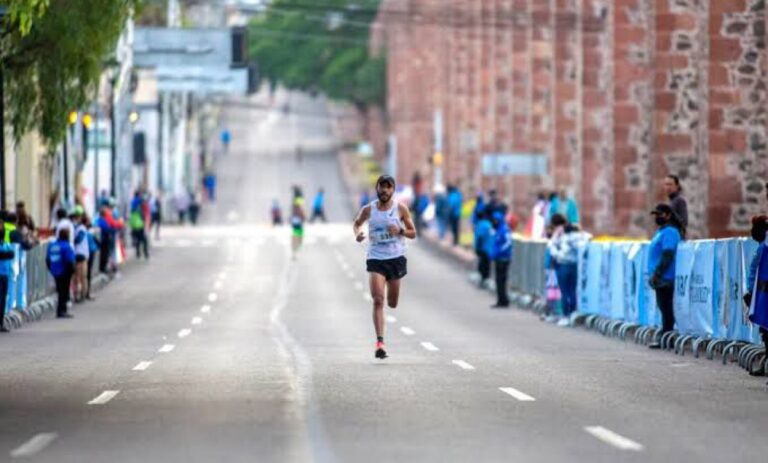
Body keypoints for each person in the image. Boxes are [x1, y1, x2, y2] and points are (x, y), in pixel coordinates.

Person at [353, 175, 417, 359]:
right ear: (377, 188)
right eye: (382, 187)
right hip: (376, 258)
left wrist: (401, 231)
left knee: (392, 303)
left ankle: (390, 296)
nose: (385, 190)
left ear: (393, 190)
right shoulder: (369, 209)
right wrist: (358, 234)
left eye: (389, 187)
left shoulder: (400, 208)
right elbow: (357, 224)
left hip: (395, 258)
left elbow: (413, 233)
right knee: (378, 300)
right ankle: (380, 343)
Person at [647, 203, 683, 349]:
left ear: (668, 215)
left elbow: (668, 254)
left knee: (666, 308)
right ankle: (665, 336)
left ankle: (667, 337)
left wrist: (658, 273)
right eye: (655, 215)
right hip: (660, 276)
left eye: (659, 214)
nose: (657, 217)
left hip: (665, 277)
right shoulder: (661, 231)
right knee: (663, 307)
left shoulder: (670, 232)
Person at [548, 214, 592, 326]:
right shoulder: (580, 237)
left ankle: (566, 315)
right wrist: (581, 232)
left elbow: (551, 246)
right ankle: (573, 314)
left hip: (563, 265)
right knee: (572, 291)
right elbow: (588, 237)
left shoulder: (563, 237)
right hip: (574, 265)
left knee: (564, 292)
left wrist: (557, 256)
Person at [744, 215, 768, 377]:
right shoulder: (762, 246)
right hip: (759, 294)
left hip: (763, 294)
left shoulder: (764, 248)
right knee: (765, 332)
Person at [46, 228, 76, 319]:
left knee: (60, 291)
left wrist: (51, 269)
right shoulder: (66, 246)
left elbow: (47, 259)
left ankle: (60, 310)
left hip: (55, 271)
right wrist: (72, 271)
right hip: (64, 271)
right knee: (64, 292)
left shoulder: (52, 245)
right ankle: (62, 310)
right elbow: (69, 260)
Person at [490, 211, 513, 308]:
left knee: (501, 280)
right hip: (498, 258)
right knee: (498, 281)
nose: (494, 222)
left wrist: (500, 251)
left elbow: (508, 243)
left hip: (503, 258)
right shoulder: (498, 229)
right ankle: (500, 299)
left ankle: (504, 300)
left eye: (495, 220)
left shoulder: (504, 229)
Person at [0, 216, 16, 332]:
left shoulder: (4, 243)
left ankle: (1, 323)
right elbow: (7, 254)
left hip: (4, 274)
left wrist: (6, 254)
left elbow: (11, 253)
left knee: (3, 300)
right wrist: (6, 254)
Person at [72, 206, 90, 302]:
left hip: (81, 254)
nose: (76, 218)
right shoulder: (75, 227)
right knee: (77, 277)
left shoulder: (81, 228)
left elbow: (78, 240)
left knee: (81, 276)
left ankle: (82, 294)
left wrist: (71, 239)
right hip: (77, 254)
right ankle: (77, 294)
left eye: (78, 216)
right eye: (76, 216)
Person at [473, 209, 493, 288]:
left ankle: (482, 279)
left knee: (482, 264)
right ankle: (486, 279)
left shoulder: (480, 225)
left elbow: (479, 237)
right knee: (487, 264)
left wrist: (477, 247)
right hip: (489, 247)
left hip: (483, 247)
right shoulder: (489, 224)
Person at [84, 214, 99, 301]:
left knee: (87, 274)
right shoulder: (87, 232)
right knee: (87, 274)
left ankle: (86, 292)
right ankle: (86, 293)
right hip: (88, 253)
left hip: (89, 253)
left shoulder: (88, 232)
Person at [290, 187, 306, 258]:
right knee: (299, 234)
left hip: (295, 219)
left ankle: (294, 249)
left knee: (295, 234)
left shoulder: (294, 200)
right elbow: (301, 209)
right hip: (298, 219)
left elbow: (295, 210)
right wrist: (303, 216)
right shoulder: (299, 201)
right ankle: (296, 248)